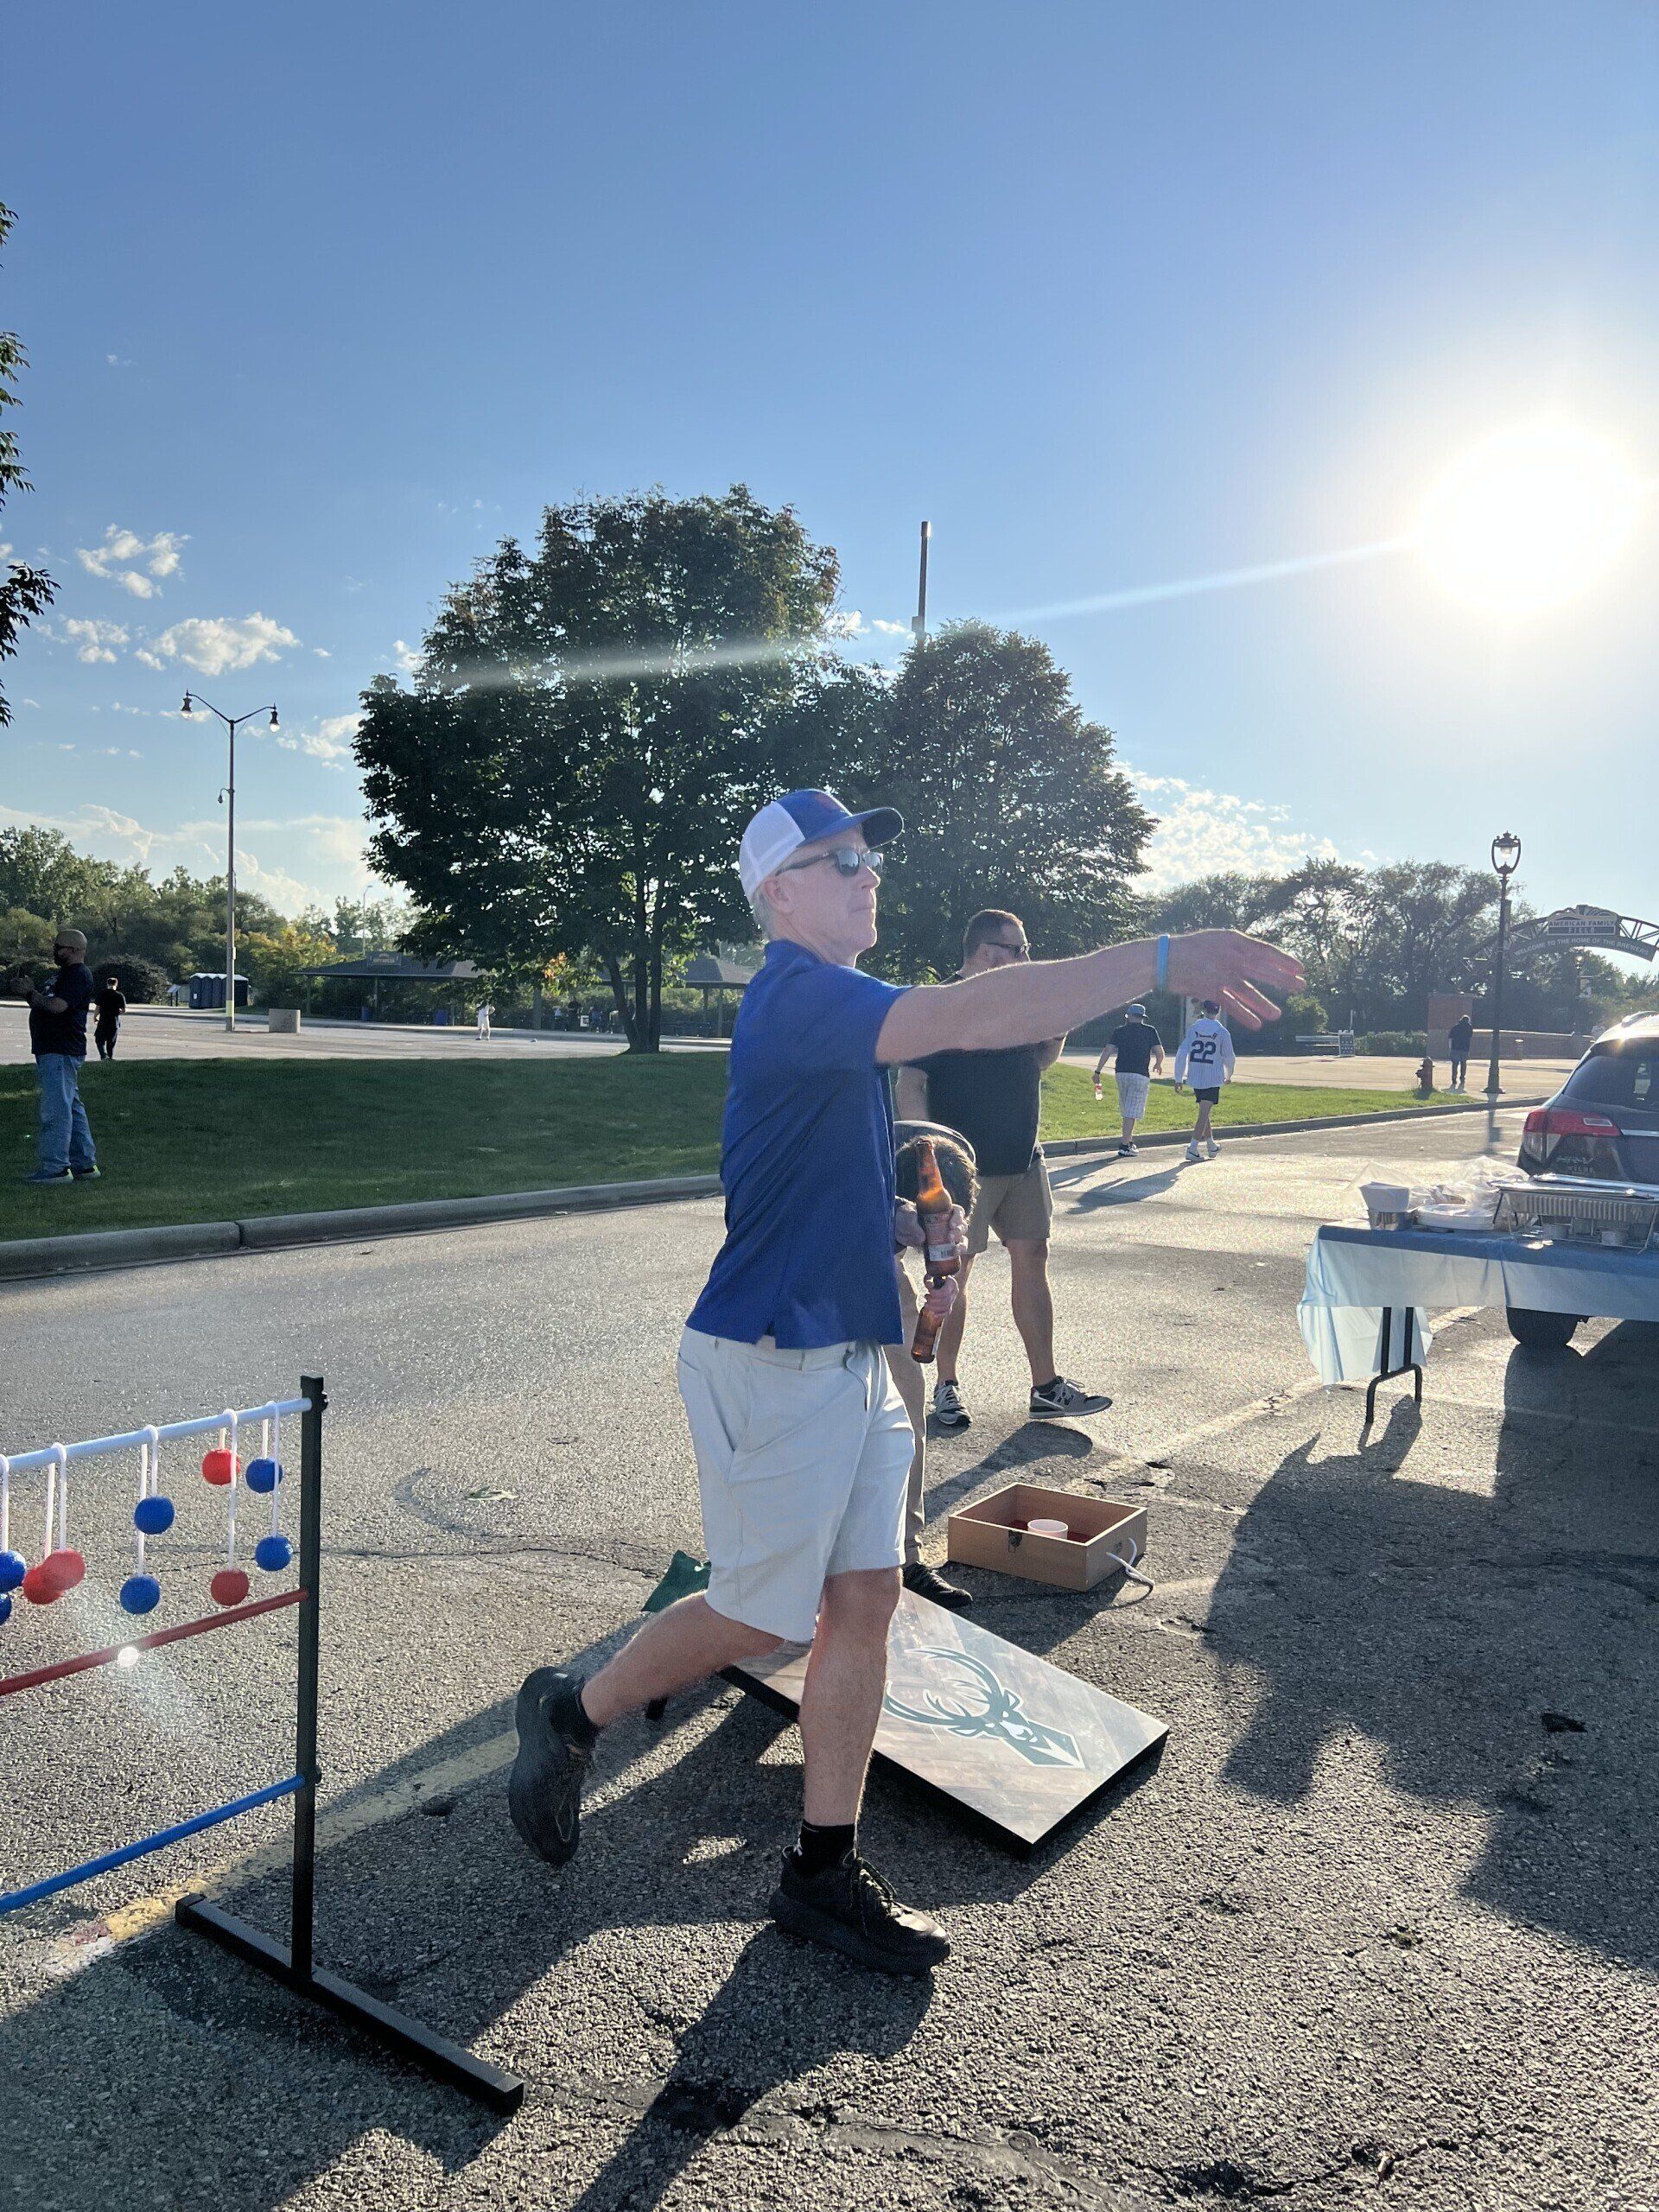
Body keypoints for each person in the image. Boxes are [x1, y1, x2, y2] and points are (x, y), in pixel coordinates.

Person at [505, 790, 1298, 1980]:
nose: (867, 872)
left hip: (850, 1360)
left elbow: (835, 1179)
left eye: (869, 852)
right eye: (838, 860)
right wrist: (1165, 956)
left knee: (867, 1603)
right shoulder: (796, 993)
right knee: (766, 1614)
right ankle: (573, 1711)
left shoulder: (829, 1021)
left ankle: (822, 1873)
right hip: (770, 1358)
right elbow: (979, 1013)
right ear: (779, 892)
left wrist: (917, 1236)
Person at [896, 909, 1109, 1434]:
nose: (1026, 958)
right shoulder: (941, 1007)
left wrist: (1058, 1025)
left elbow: (1037, 1061)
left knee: (1032, 1258)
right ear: (987, 950)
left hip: (1022, 1156)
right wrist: (929, 1163)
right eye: (1019, 949)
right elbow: (911, 1083)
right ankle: (945, 1387)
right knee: (954, 1275)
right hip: (964, 1170)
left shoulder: (1021, 1001)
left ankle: (1046, 1388)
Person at [889, 1122, 978, 1611]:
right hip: (816, 1288)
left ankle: (905, 1556)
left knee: (905, 1415)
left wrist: (938, 1280)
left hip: (882, 1277)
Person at [24, 929, 99, 1185]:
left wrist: (29, 995)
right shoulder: (64, 975)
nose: (55, 950)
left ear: (76, 949)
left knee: (56, 1109)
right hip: (54, 1049)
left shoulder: (78, 974)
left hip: (61, 1049)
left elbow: (58, 1006)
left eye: (60, 947)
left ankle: (55, 1168)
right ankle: (84, 1164)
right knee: (71, 1106)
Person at [1094, 1001, 1165, 1156]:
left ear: (1129, 1016)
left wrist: (1098, 1071)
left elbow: (1108, 1050)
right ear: (1142, 1017)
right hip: (1140, 1074)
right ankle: (1125, 1144)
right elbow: (1160, 1052)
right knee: (1132, 1111)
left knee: (1127, 1108)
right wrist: (1158, 1064)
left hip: (1121, 1073)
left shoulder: (1119, 1031)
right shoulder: (1150, 1031)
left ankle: (1129, 1140)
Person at [1173, 998, 1236, 1161]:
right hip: (1213, 1076)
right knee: (1203, 1114)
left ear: (1204, 1010)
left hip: (1195, 1075)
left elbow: (1182, 1053)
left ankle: (1211, 1145)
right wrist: (1228, 1075)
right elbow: (1229, 1057)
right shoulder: (1222, 1032)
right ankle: (1192, 1148)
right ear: (1218, 1012)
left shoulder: (1193, 1029)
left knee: (1204, 1112)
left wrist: (1178, 1077)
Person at [93, 973, 126, 1061]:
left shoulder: (102, 994)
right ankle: (110, 1057)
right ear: (116, 984)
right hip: (114, 1020)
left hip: (103, 1020)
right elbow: (123, 1010)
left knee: (99, 1039)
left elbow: (97, 1007)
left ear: (107, 984)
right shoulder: (120, 995)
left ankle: (103, 1055)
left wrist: (95, 1017)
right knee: (111, 1041)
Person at [1448, 1012, 1473, 1091]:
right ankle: (1462, 1078)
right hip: (1465, 1048)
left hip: (1455, 1048)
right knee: (1463, 1064)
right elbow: (1470, 1037)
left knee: (1455, 1064)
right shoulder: (1469, 1028)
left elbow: (1450, 1038)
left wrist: (1450, 1047)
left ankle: (1454, 1078)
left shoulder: (1455, 1027)